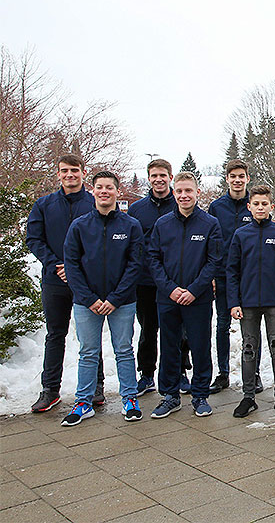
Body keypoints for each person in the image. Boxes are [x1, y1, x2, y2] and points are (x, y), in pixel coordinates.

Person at [61, 171, 144, 426]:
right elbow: (72, 264)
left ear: (117, 192)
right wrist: (89, 298)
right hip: (87, 302)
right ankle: (83, 402)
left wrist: (116, 298)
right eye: (99, 187)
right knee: (88, 352)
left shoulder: (130, 226)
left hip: (122, 301)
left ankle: (129, 398)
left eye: (109, 187)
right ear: (93, 190)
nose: (104, 191)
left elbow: (135, 264)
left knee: (124, 350)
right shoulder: (80, 225)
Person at [26, 153, 102, 413]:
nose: (69, 175)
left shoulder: (94, 204)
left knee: (90, 337)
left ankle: (97, 386)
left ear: (83, 172)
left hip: (87, 281)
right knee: (55, 334)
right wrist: (56, 264)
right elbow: (34, 239)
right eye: (64, 171)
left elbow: (99, 242)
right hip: (54, 280)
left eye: (74, 170)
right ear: (57, 174)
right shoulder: (44, 205)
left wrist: (77, 269)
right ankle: (50, 389)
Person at [146, 172, 222, 418]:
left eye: (188, 190)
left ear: (197, 192)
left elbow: (214, 261)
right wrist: (170, 289)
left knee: (200, 346)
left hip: (197, 299)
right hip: (167, 298)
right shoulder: (163, 224)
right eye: (179, 191)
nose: (183, 195)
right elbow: (153, 259)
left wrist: (194, 290)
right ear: (173, 192)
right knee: (169, 346)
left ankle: (200, 395)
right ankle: (170, 395)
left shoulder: (210, 224)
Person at [226, 185, 275, 418]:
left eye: (264, 204)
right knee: (249, 348)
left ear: (271, 206)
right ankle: (248, 397)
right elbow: (232, 271)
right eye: (256, 204)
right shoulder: (241, 235)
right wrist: (233, 302)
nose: (260, 207)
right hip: (247, 304)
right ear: (249, 207)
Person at [128, 158, 192, 397]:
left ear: (170, 177)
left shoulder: (179, 205)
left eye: (163, 175)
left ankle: (180, 372)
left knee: (178, 331)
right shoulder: (137, 210)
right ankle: (146, 374)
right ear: (149, 178)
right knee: (148, 330)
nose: (158, 179)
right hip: (145, 281)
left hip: (175, 281)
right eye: (154, 175)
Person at [208, 159, 254, 394]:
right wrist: (213, 275)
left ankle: (253, 373)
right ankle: (223, 373)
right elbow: (211, 242)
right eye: (233, 176)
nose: (237, 180)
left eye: (241, 176)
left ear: (247, 178)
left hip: (249, 277)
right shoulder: (217, 207)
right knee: (222, 325)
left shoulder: (254, 204)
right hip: (224, 276)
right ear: (227, 179)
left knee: (250, 327)